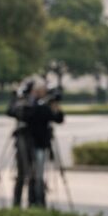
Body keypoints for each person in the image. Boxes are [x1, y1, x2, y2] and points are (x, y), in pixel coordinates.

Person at [8, 80, 64, 208]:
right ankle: (18, 203)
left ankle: (38, 202)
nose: (41, 93)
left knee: (38, 176)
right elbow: (16, 112)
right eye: (38, 91)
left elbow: (59, 118)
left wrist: (54, 105)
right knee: (23, 175)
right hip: (25, 143)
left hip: (41, 143)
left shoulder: (46, 104)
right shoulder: (27, 104)